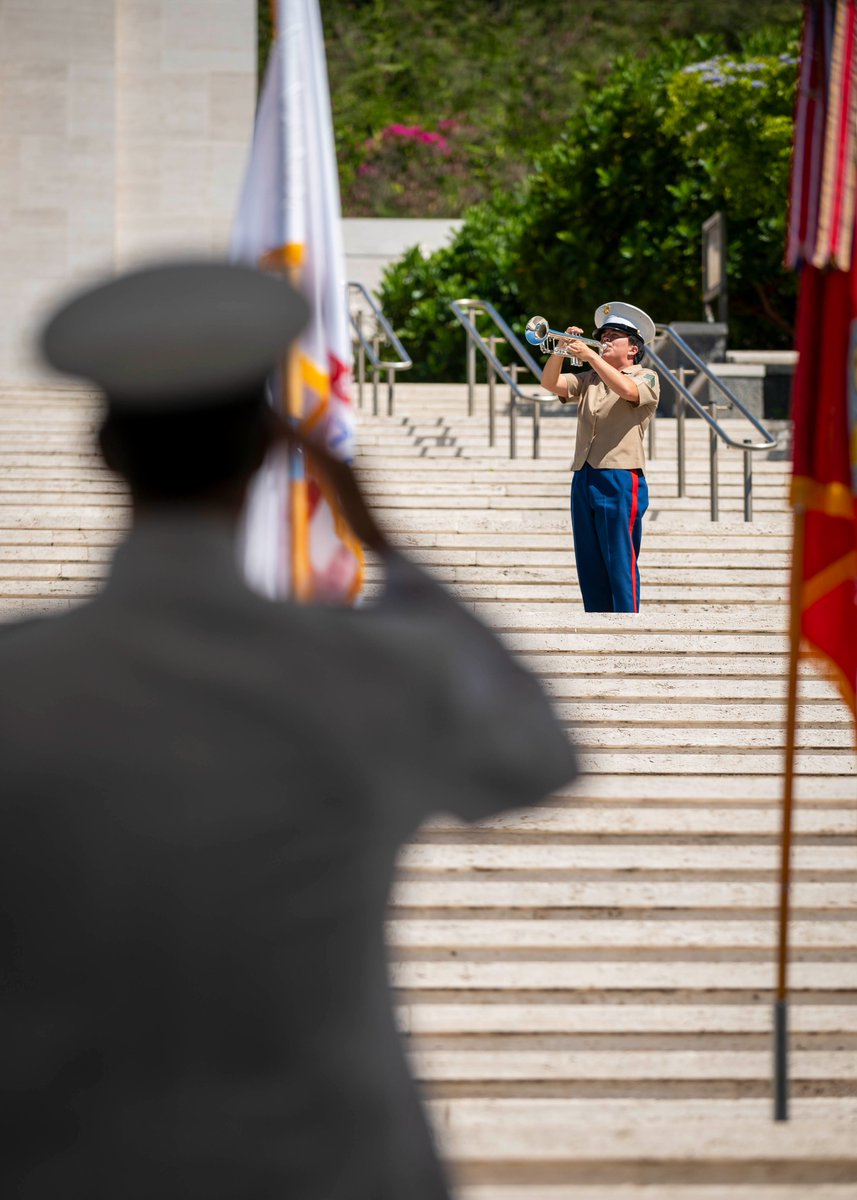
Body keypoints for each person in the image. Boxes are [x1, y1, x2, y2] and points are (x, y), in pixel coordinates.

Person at [0, 259, 578, 1200]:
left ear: (103, 452)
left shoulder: (16, 678)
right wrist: (380, 537)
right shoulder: (367, 670)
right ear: (271, 450)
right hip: (330, 1162)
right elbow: (539, 757)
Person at [540, 302, 660, 613]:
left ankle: (627, 621)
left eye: (613, 336)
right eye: (602, 335)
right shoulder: (591, 379)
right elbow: (550, 383)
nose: (604, 340)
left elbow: (627, 390)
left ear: (632, 348)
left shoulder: (645, 375)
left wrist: (591, 355)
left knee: (619, 555)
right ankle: (598, 620)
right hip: (584, 473)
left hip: (620, 475)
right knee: (589, 557)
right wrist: (561, 349)